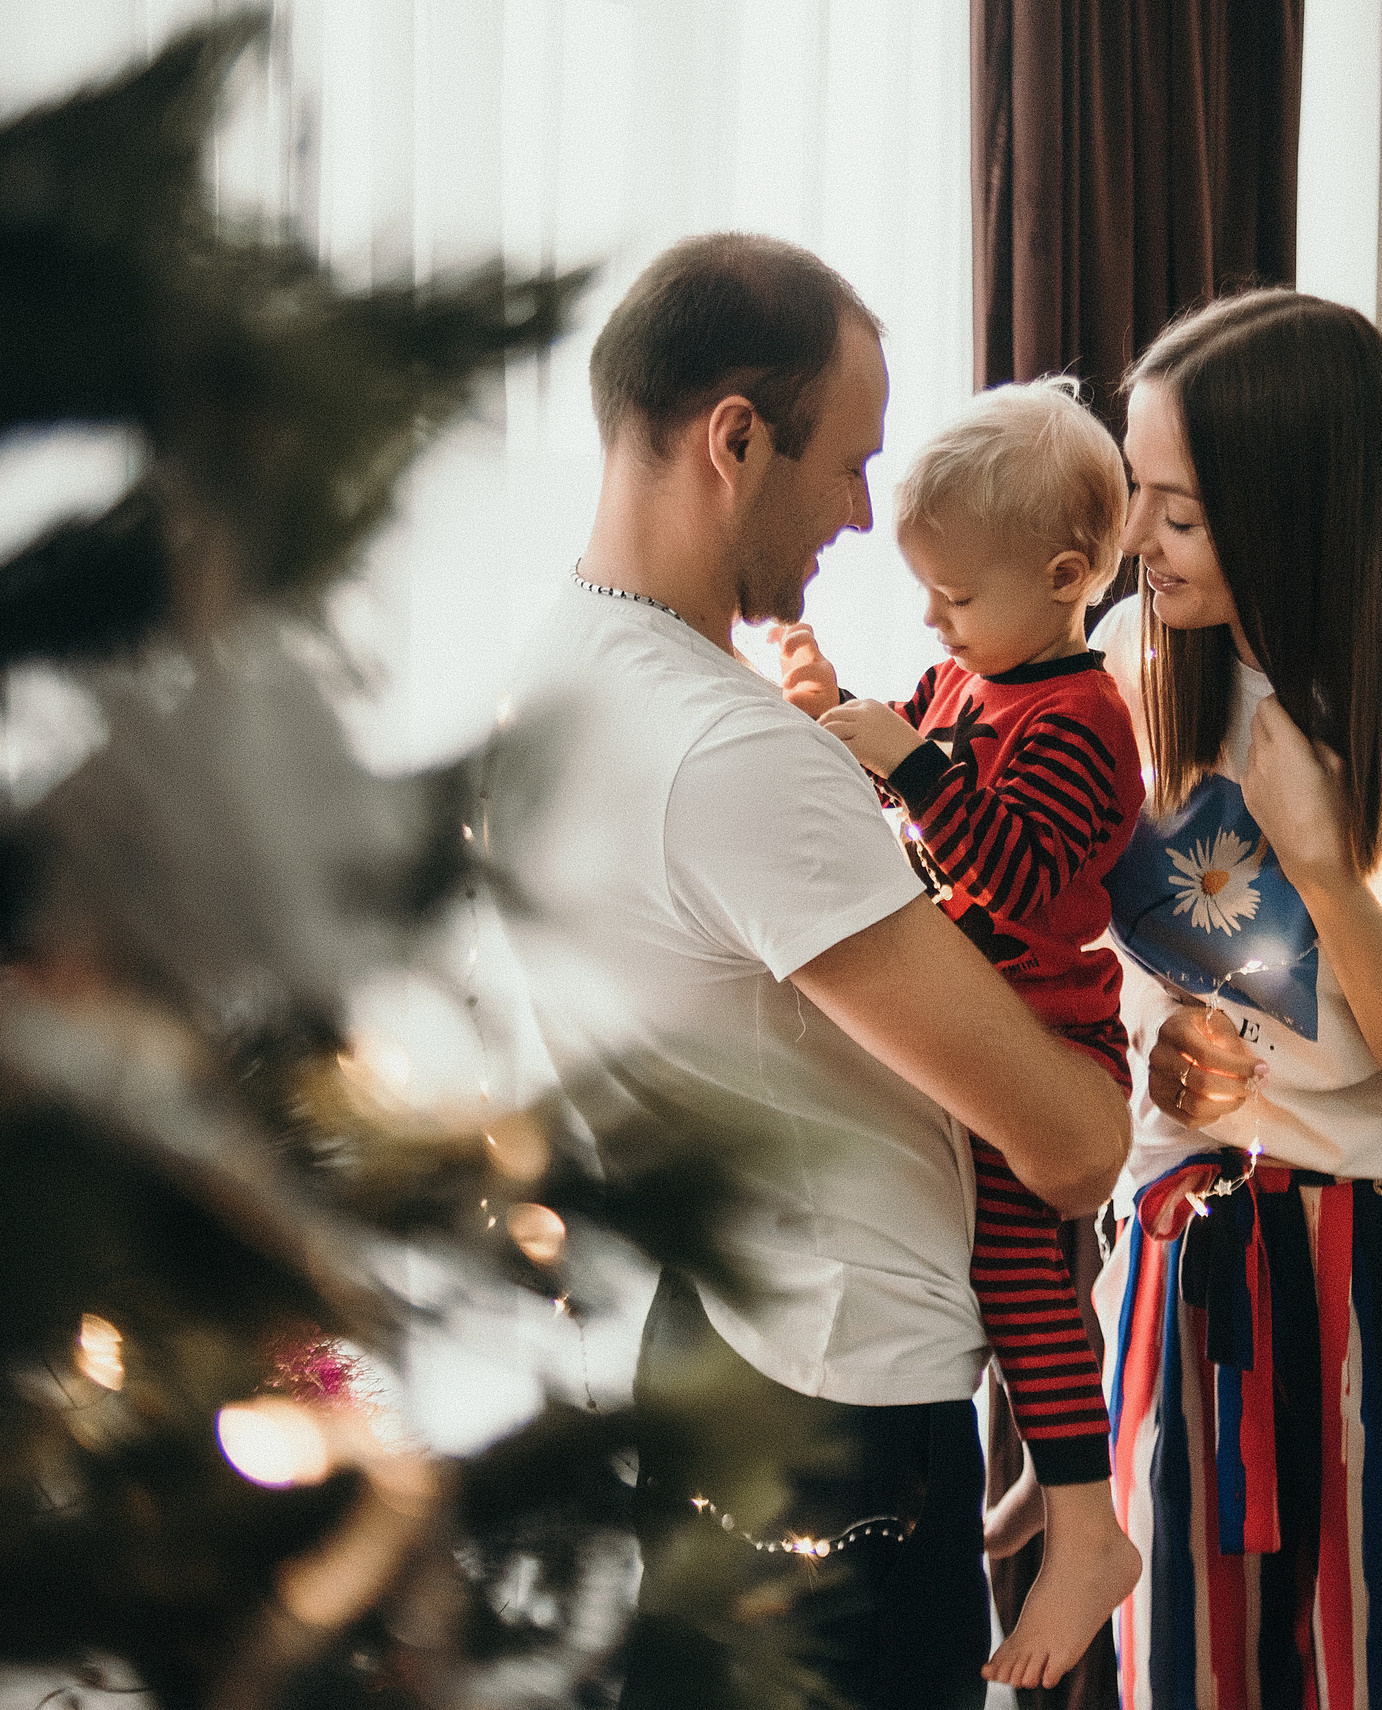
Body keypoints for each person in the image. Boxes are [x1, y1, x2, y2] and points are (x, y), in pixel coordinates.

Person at [494, 233, 1129, 1710]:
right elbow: (1075, 1142)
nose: (861, 512)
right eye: (848, 464)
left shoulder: (563, 665)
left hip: (710, 1338)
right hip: (844, 1401)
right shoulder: (731, 753)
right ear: (733, 438)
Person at [1091, 290, 1382, 1709]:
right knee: (1184, 1674)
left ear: (1290, 504)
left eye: (1178, 513)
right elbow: (1126, 990)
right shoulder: (1131, 668)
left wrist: (1327, 873)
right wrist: (1162, 1057)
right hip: (1192, 1250)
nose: (1136, 544)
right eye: (1135, 496)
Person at [777, 376, 1146, 1691]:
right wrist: (851, 711)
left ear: (1061, 580)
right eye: (924, 595)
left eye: (955, 595)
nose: (933, 621)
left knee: (1020, 1271)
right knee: (977, 1268)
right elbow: (916, 760)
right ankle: (1038, 1499)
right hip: (980, 1020)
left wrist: (913, 762)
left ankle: (1083, 1527)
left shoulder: (1086, 723)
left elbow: (1028, 876)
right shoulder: (964, 676)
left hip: (1051, 1041)